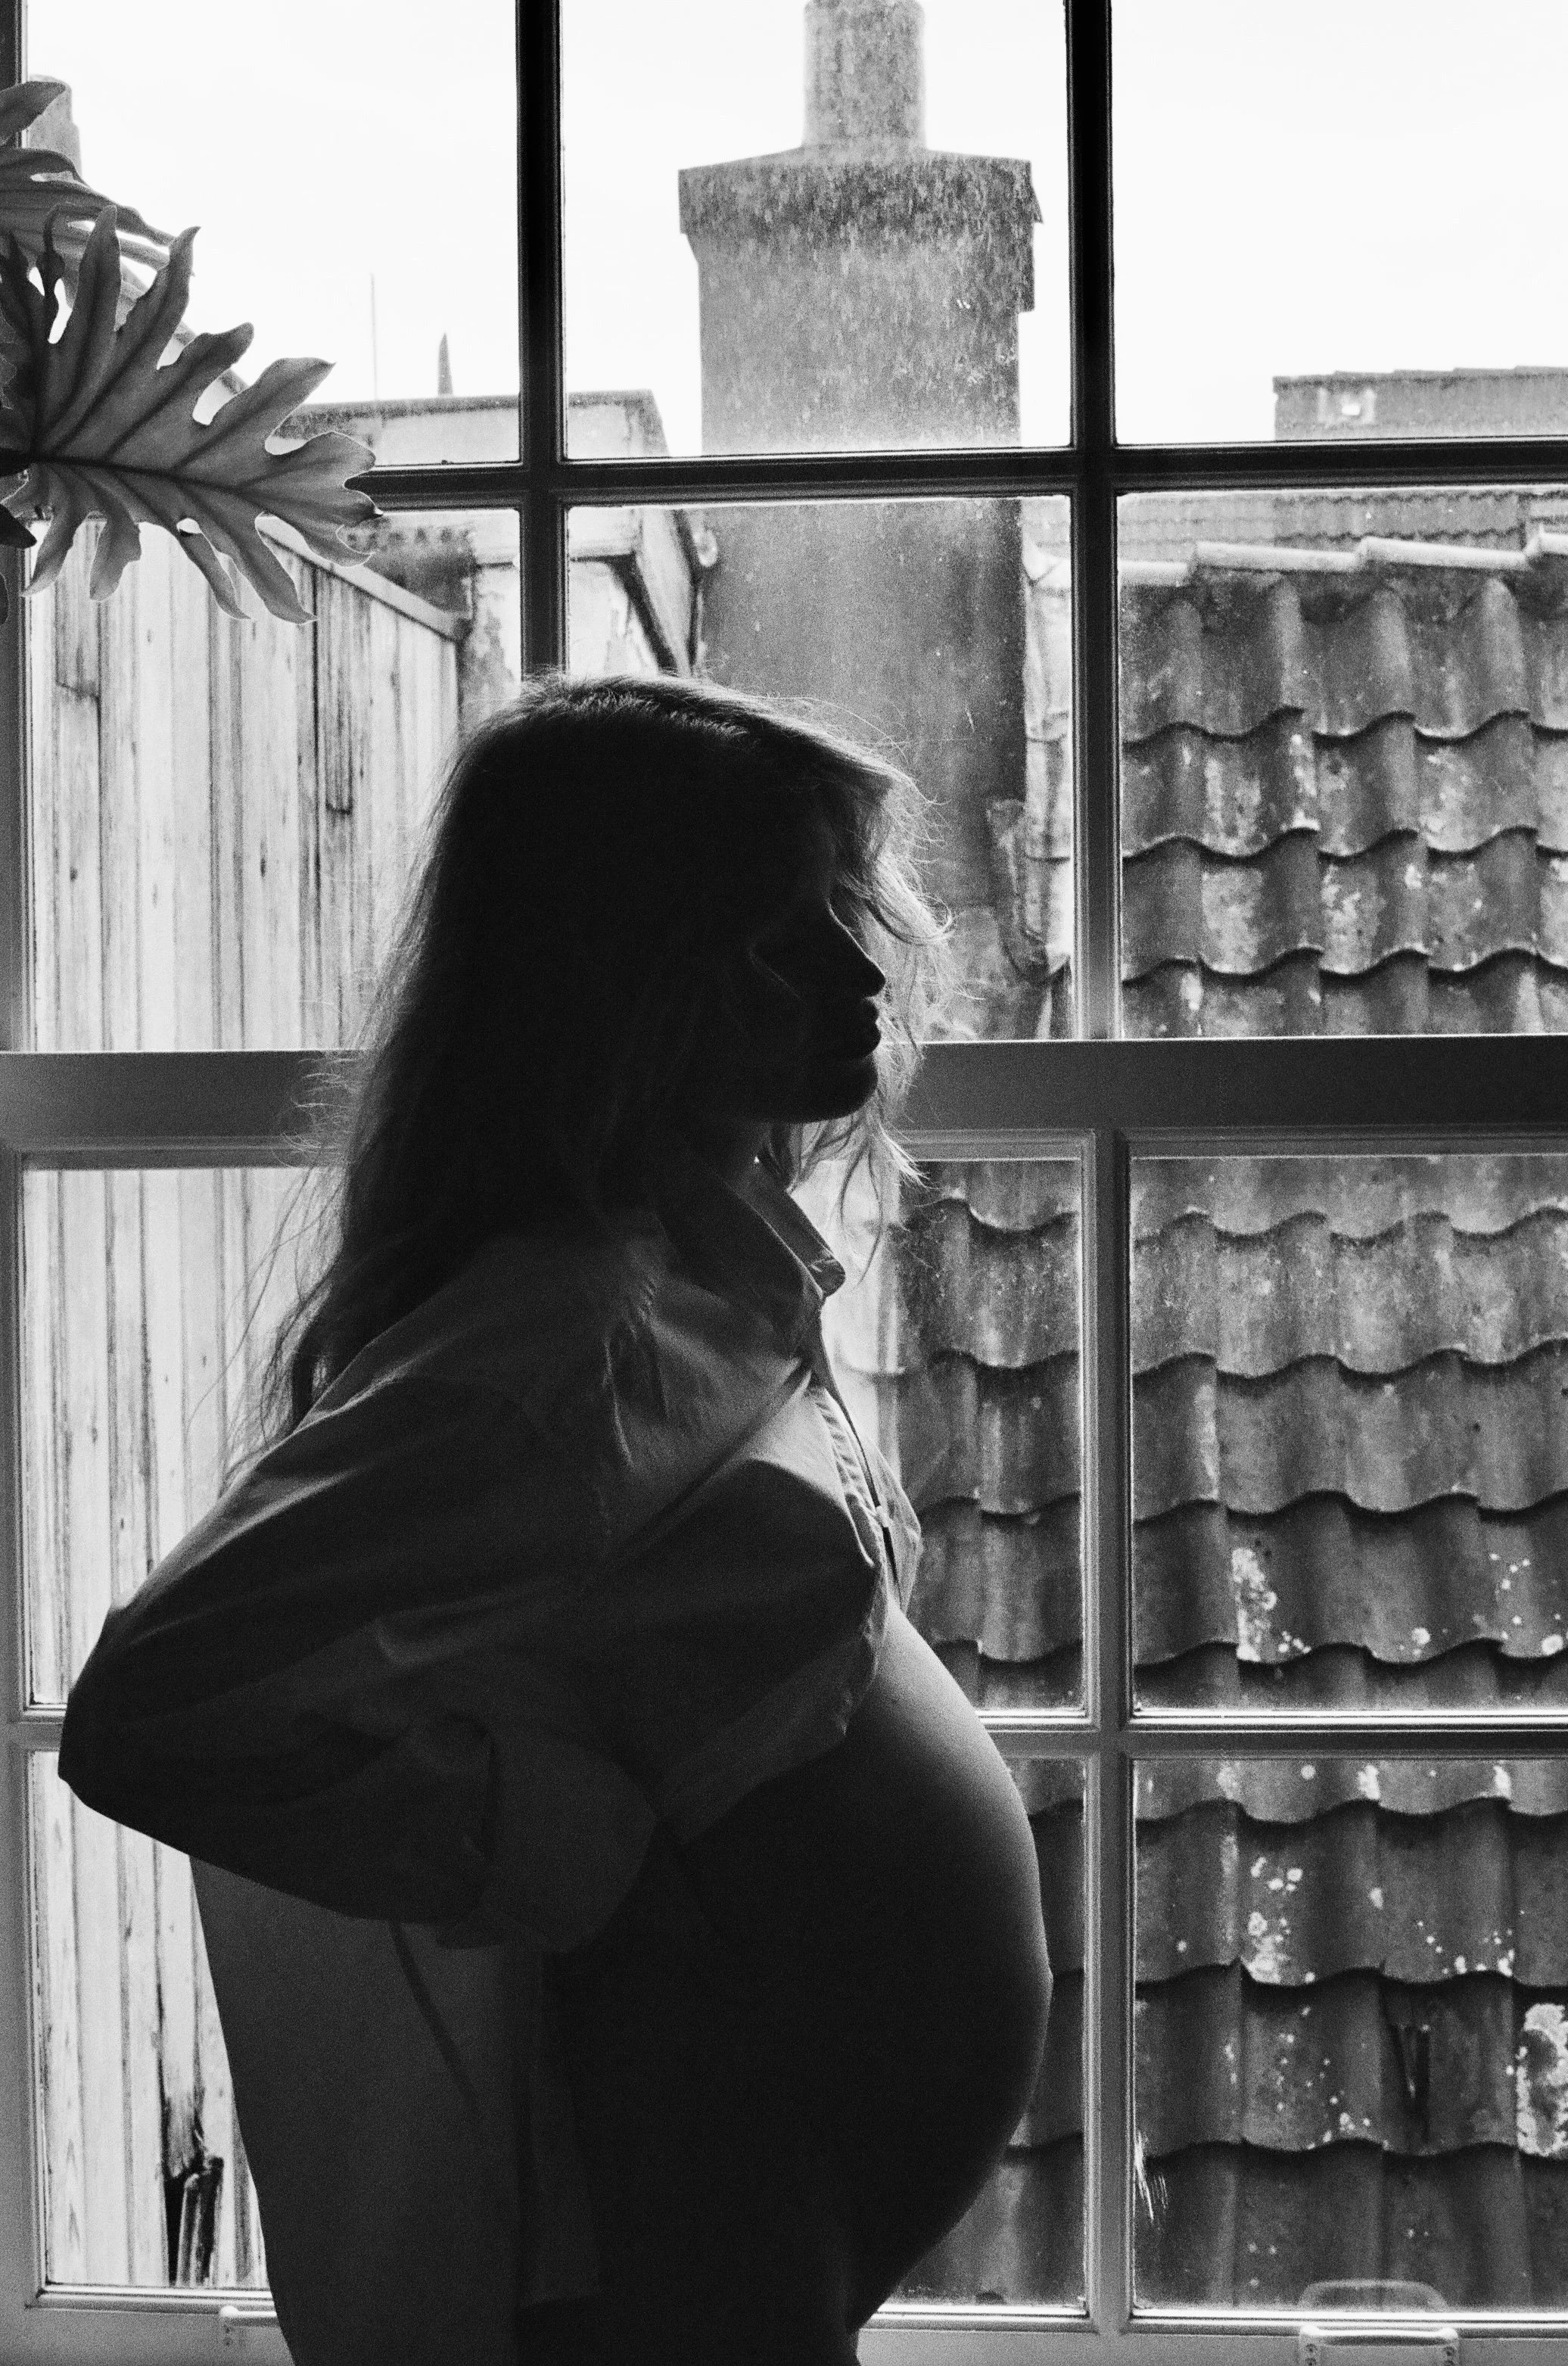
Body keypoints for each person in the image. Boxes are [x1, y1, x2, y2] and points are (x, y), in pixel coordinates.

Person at [59, 675, 1053, 2363]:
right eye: (776, 930)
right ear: (624, 977)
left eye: (847, 907)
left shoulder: (696, 1275)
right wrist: (589, 1862)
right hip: (700, 2151)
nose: (860, 971)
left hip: (768, 2160)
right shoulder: (563, 1339)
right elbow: (157, 1712)